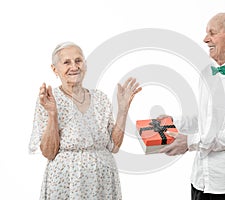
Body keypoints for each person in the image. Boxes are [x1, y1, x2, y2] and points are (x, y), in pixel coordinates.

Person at [160, 13, 225, 200]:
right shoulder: (206, 73)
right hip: (200, 182)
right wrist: (170, 123)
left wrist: (190, 142)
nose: (205, 39)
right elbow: (203, 120)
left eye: (212, 33)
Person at [29, 42, 142, 200]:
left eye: (78, 60)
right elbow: (49, 152)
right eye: (66, 62)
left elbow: (114, 146)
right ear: (55, 69)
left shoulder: (100, 98)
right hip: (66, 181)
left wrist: (123, 111)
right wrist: (52, 114)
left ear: (85, 65)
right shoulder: (49, 99)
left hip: (103, 180)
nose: (74, 66)